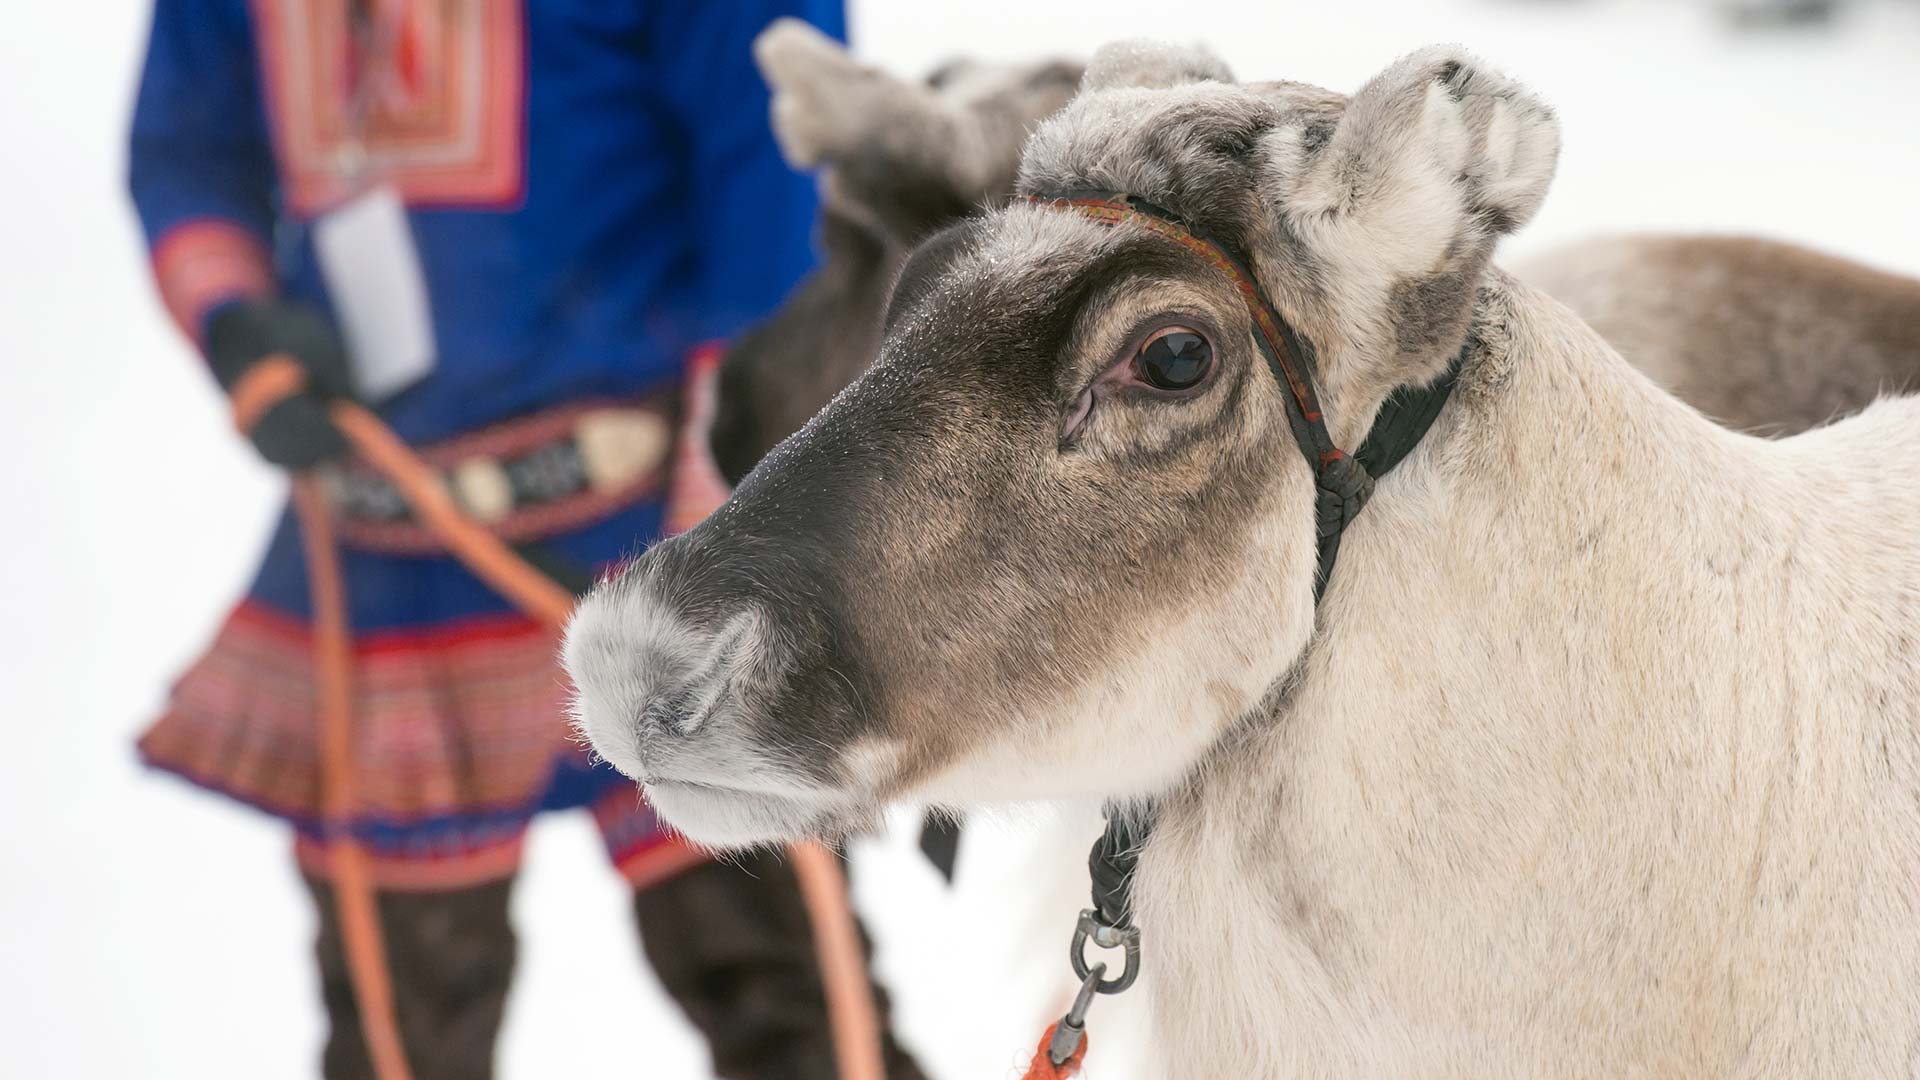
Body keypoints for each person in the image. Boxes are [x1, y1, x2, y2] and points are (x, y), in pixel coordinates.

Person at [126, 2, 924, 1077]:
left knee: (793, 1005)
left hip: (655, 535)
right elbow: (186, 144)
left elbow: (769, 175)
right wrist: (236, 321)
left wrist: (740, 521)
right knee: (397, 1035)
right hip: (383, 558)